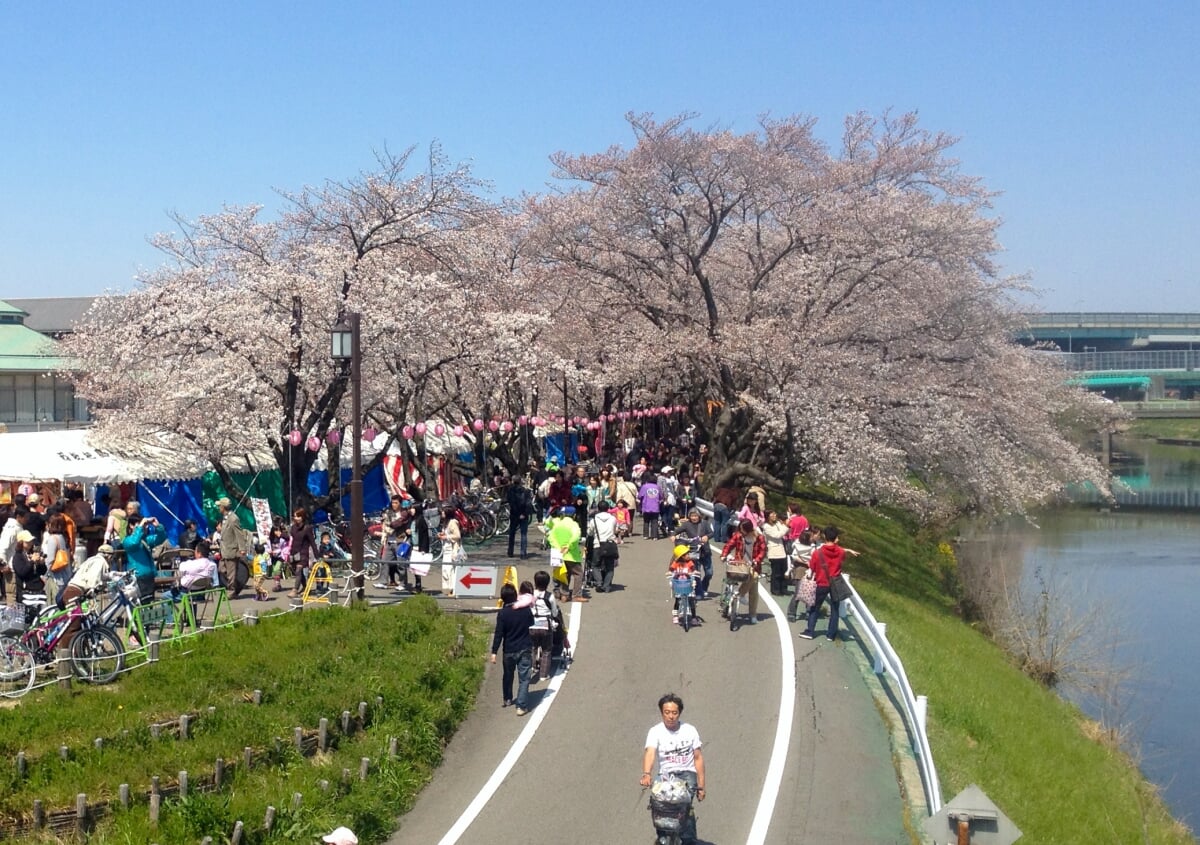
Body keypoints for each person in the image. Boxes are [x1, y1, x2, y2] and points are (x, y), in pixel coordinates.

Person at [639, 693, 706, 844]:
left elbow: (698, 758)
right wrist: (646, 773)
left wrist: (701, 786)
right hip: (666, 776)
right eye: (667, 712)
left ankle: (687, 838)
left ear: (679, 713)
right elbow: (650, 752)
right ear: (662, 713)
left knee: (682, 806)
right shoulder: (655, 731)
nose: (670, 716)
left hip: (687, 775)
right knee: (659, 805)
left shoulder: (690, 730)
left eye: (674, 713)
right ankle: (663, 837)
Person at [800, 525, 860, 641]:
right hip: (835, 583)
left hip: (821, 583)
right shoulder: (840, 552)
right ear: (836, 538)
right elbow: (841, 556)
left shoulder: (818, 553)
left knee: (814, 608)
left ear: (824, 536)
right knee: (835, 609)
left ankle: (810, 631)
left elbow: (812, 566)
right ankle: (831, 634)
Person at [490, 583, 535, 716]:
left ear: (502, 598)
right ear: (516, 596)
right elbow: (531, 623)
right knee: (524, 678)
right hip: (524, 647)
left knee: (508, 675)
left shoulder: (503, 614)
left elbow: (499, 634)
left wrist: (494, 652)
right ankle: (521, 706)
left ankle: (507, 698)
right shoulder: (525, 610)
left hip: (508, 649)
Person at [720, 519, 766, 624]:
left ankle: (751, 611)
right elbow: (729, 545)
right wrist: (723, 555)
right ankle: (739, 596)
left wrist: (756, 560)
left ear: (749, 529)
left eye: (743, 530)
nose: (742, 532)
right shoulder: (738, 535)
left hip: (753, 565)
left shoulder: (759, 537)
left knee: (754, 588)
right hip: (739, 564)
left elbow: (763, 552)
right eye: (740, 529)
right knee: (752, 582)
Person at [122, 515, 167, 603]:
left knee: (149, 604)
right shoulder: (127, 541)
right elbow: (134, 543)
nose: (144, 527)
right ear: (131, 525)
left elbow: (161, 538)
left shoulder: (145, 540)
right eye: (139, 524)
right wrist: (140, 526)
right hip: (138, 577)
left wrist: (158, 526)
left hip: (149, 576)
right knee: (141, 604)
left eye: (145, 525)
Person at [546, 506, 586, 602]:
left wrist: (558, 547)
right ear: (574, 515)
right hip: (571, 554)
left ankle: (564, 594)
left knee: (563, 574)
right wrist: (568, 546)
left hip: (558, 553)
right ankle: (576, 595)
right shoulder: (574, 525)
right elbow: (576, 536)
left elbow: (550, 536)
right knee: (578, 574)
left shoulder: (557, 524)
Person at [674, 509, 714, 599]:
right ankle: (699, 592)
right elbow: (677, 531)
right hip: (694, 551)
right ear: (689, 516)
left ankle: (704, 587)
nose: (694, 518)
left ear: (699, 516)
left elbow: (712, 533)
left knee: (709, 573)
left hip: (705, 551)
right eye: (692, 516)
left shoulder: (705, 523)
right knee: (696, 573)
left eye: (696, 516)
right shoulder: (687, 524)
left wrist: (707, 536)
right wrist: (673, 535)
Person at [216, 497, 250, 598]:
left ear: (223, 507)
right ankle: (237, 585)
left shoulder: (233, 518)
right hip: (224, 550)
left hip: (231, 550)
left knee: (231, 572)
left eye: (219, 506)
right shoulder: (225, 518)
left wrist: (242, 548)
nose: (218, 508)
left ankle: (233, 591)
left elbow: (239, 534)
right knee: (221, 569)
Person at [529, 569, 559, 682]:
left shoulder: (531, 594)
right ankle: (543, 674)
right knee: (546, 650)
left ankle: (531, 667)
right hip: (545, 625)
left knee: (532, 647)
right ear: (547, 583)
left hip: (532, 624)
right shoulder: (549, 596)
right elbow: (555, 612)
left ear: (535, 582)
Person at [785, 529, 820, 622]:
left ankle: (792, 613)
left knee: (800, 592)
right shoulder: (813, 548)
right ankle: (805, 612)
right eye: (811, 536)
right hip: (805, 569)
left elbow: (794, 556)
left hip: (799, 569)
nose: (813, 538)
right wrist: (808, 562)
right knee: (807, 591)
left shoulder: (796, 545)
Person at [287, 508, 319, 598]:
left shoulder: (307, 528)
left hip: (303, 553)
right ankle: (305, 587)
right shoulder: (293, 527)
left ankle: (295, 590)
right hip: (294, 552)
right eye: (295, 516)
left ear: (302, 517)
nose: (295, 518)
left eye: (298, 516)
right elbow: (290, 540)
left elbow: (312, 542)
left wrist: (317, 556)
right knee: (298, 573)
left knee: (298, 570)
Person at [589, 501, 619, 592]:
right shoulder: (613, 519)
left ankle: (599, 583)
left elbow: (590, 532)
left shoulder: (594, 520)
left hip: (598, 544)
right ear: (608, 509)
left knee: (595, 565)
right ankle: (606, 586)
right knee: (610, 567)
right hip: (610, 544)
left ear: (598, 509)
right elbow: (616, 530)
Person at [761, 510, 791, 596]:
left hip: (782, 550)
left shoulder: (777, 523)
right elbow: (777, 535)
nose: (775, 515)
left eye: (775, 513)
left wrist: (786, 525)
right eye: (773, 514)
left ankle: (783, 588)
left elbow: (785, 531)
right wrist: (785, 526)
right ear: (768, 516)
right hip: (774, 551)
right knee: (776, 572)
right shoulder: (766, 526)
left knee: (784, 571)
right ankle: (775, 589)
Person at [668, 544, 698, 625]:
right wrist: (670, 572)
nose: (689, 555)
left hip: (688, 583)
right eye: (687, 554)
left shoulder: (689, 562)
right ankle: (675, 616)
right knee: (677, 601)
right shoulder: (676, 562)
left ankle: (694, 617)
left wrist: (694, 571)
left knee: (691, 600)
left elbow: (693, 568)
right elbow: (671, 568)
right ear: (681, 556)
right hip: (679, 584)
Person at [506, 476, 533, 559]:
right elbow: (528, 504)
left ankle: (510, 551)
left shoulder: (510, 491)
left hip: (514, 514)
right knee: (523, 534)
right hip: (523, 515)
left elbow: (511, 502)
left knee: (512, 533)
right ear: (521, 481)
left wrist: (517, 514)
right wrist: (524, 513)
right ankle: (523, 553)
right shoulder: (526, 491)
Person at [638, 475, 662, 539]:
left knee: (646, 521)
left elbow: (640, 496)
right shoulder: (658, 487)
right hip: (655, 506)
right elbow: (661, 496)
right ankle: (654, 536)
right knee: (654, 521)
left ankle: (646, 535)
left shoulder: (644, 486)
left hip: (646, 506)